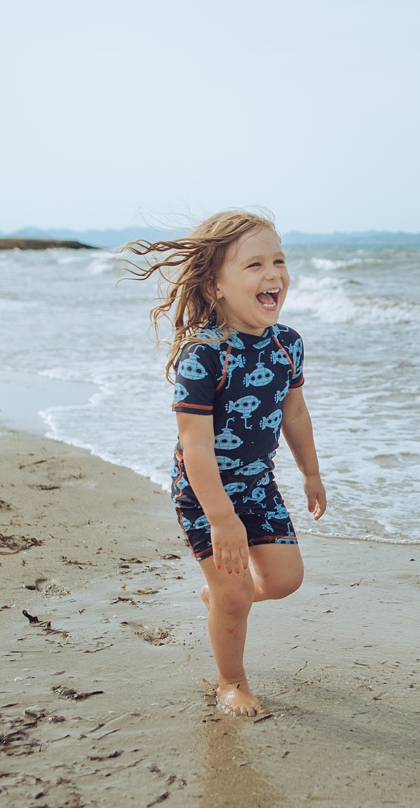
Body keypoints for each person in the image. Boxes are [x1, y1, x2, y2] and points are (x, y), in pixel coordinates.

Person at [123, 210, 326, 717]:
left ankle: (220, 598)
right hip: (203, 489)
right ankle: (230, 680)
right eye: (254, 264)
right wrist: (221, 517)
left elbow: (294, 411)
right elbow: (195, 447)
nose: (273, 274)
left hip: (258, 482)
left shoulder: (287, 344)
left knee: (283, 580)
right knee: (235, 593)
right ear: (215, 285)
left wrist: (311, 473)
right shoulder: (205, 354)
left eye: (278, 261)